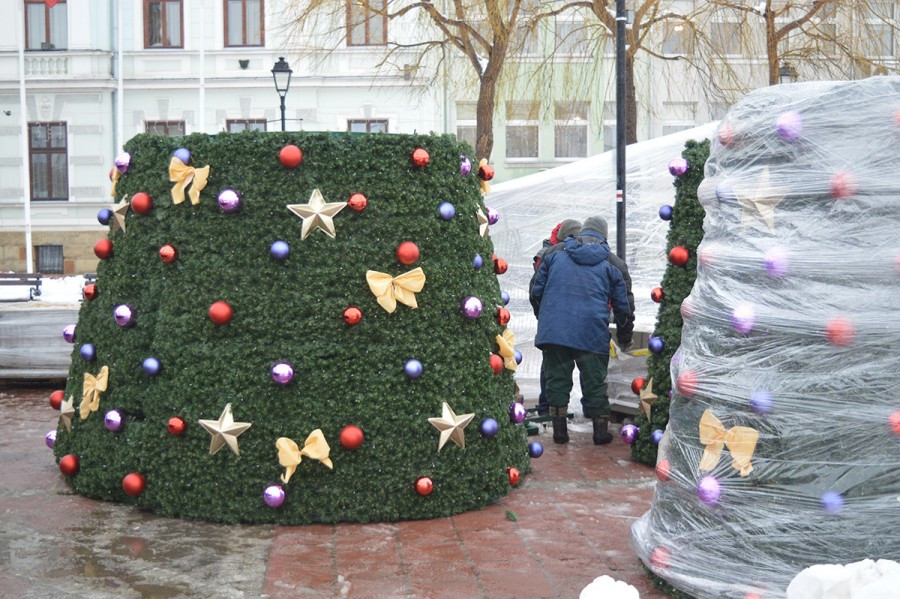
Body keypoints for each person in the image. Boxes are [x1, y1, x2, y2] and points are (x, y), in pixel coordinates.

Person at [530, 217, 631, 445]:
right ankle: (600, 433)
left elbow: (536, 291)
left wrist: (545, 318)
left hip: (555, 331)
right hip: (592, 331)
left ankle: (559, 433)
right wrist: (625, 336)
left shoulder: (554, 254)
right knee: (595, 381)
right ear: (604, 235)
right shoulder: (613, 263)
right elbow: (624, 305)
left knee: (557, 379)